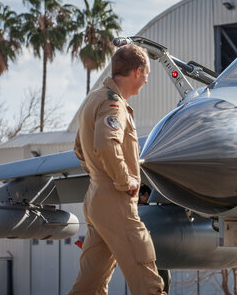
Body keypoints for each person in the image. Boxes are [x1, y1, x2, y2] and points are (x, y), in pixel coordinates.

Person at [67, 44, 165, 295]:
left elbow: (80, 148)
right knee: (146, 277)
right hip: (116, 202)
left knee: (90, 285)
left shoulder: (94, 99)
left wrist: (100, 176)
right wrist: (126, 181)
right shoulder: (114, 104)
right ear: (137, 71)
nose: (145, 81)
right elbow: (105, 144)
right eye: (146, 74)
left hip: (97, 200)